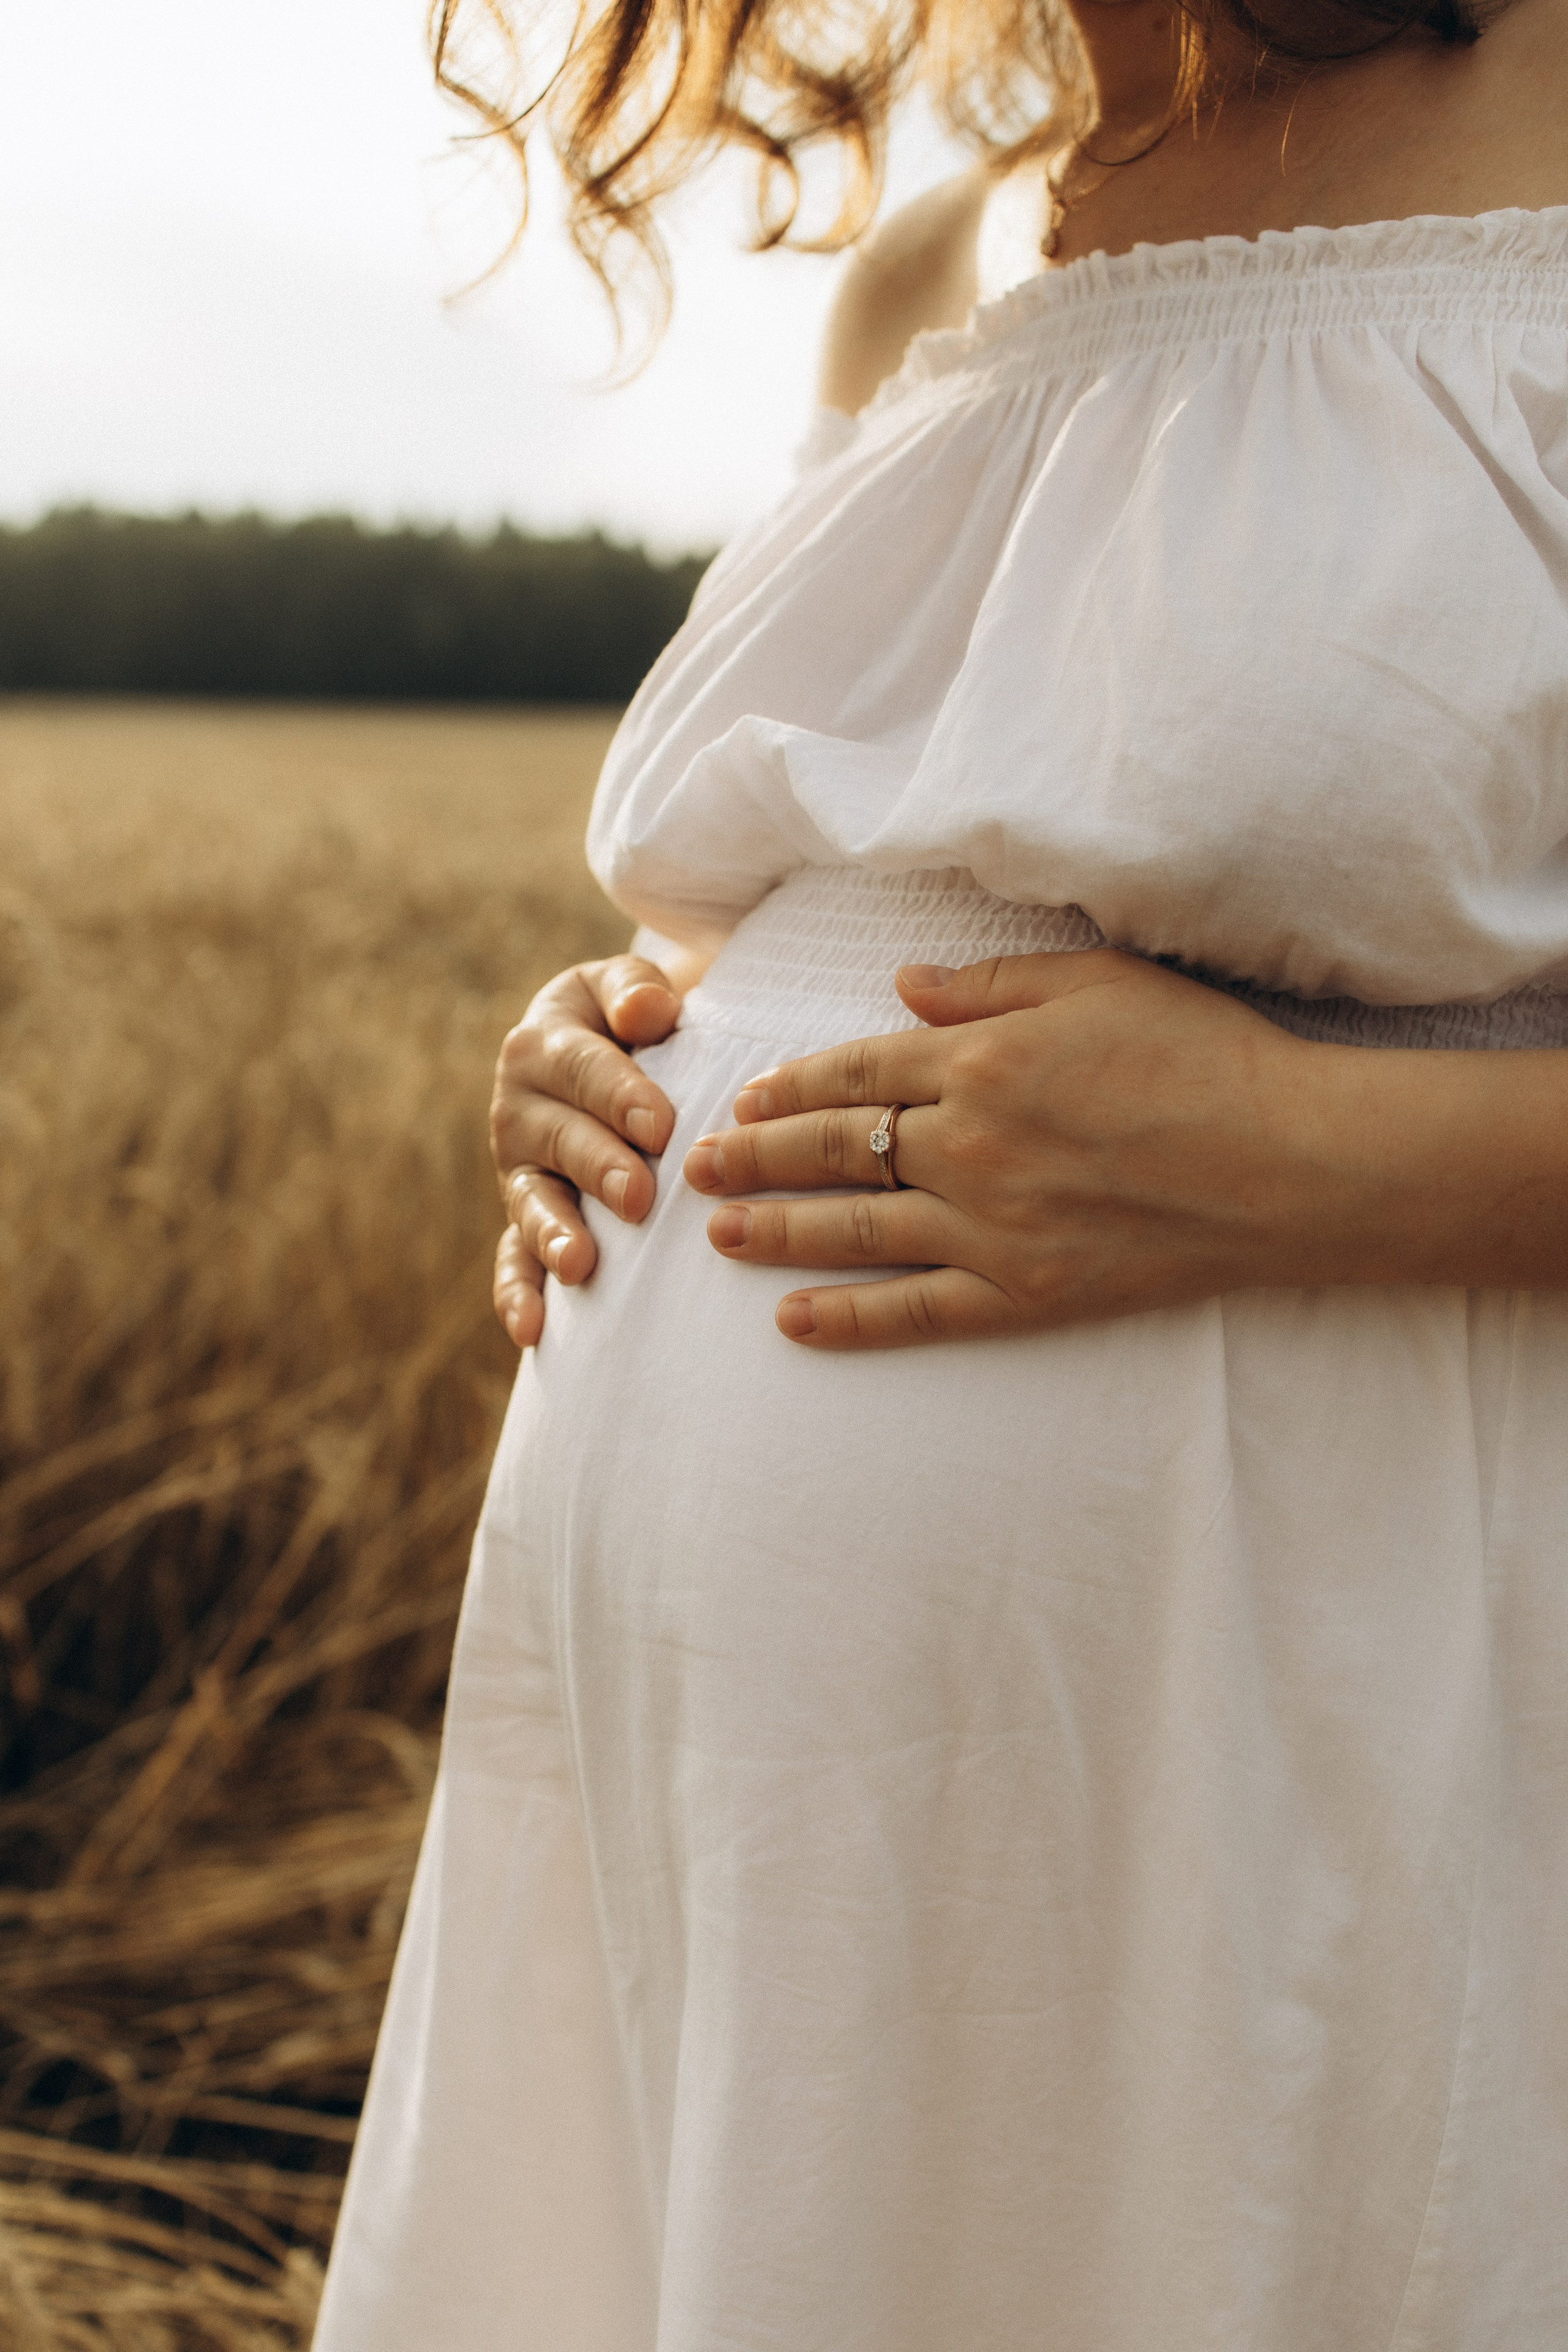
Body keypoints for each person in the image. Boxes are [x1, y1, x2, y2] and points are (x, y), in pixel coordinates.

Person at [313, 0, 1568, 2342]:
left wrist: (1321, 1153)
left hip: (1285, 1731)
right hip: (734, 1794)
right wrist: (610, 1041)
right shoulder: (937, 263)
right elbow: (861, 857)